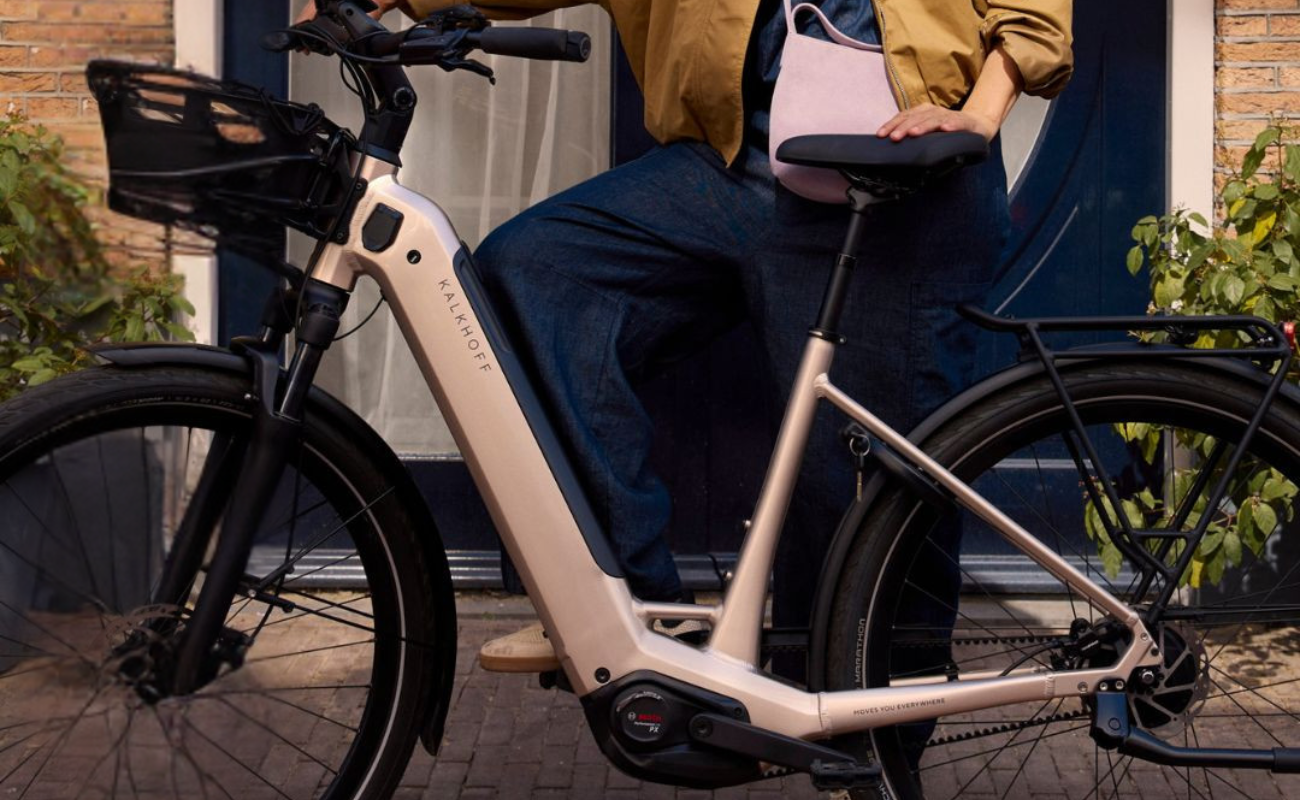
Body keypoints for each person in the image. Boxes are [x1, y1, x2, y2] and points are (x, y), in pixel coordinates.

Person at [298, 0, 1074, 673]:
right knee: (539, 275)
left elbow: (1034, 14)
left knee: (856, 493)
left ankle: (866, 751)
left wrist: (977, 113)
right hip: (738, 167)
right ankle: (630, 610)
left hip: (903, 178)